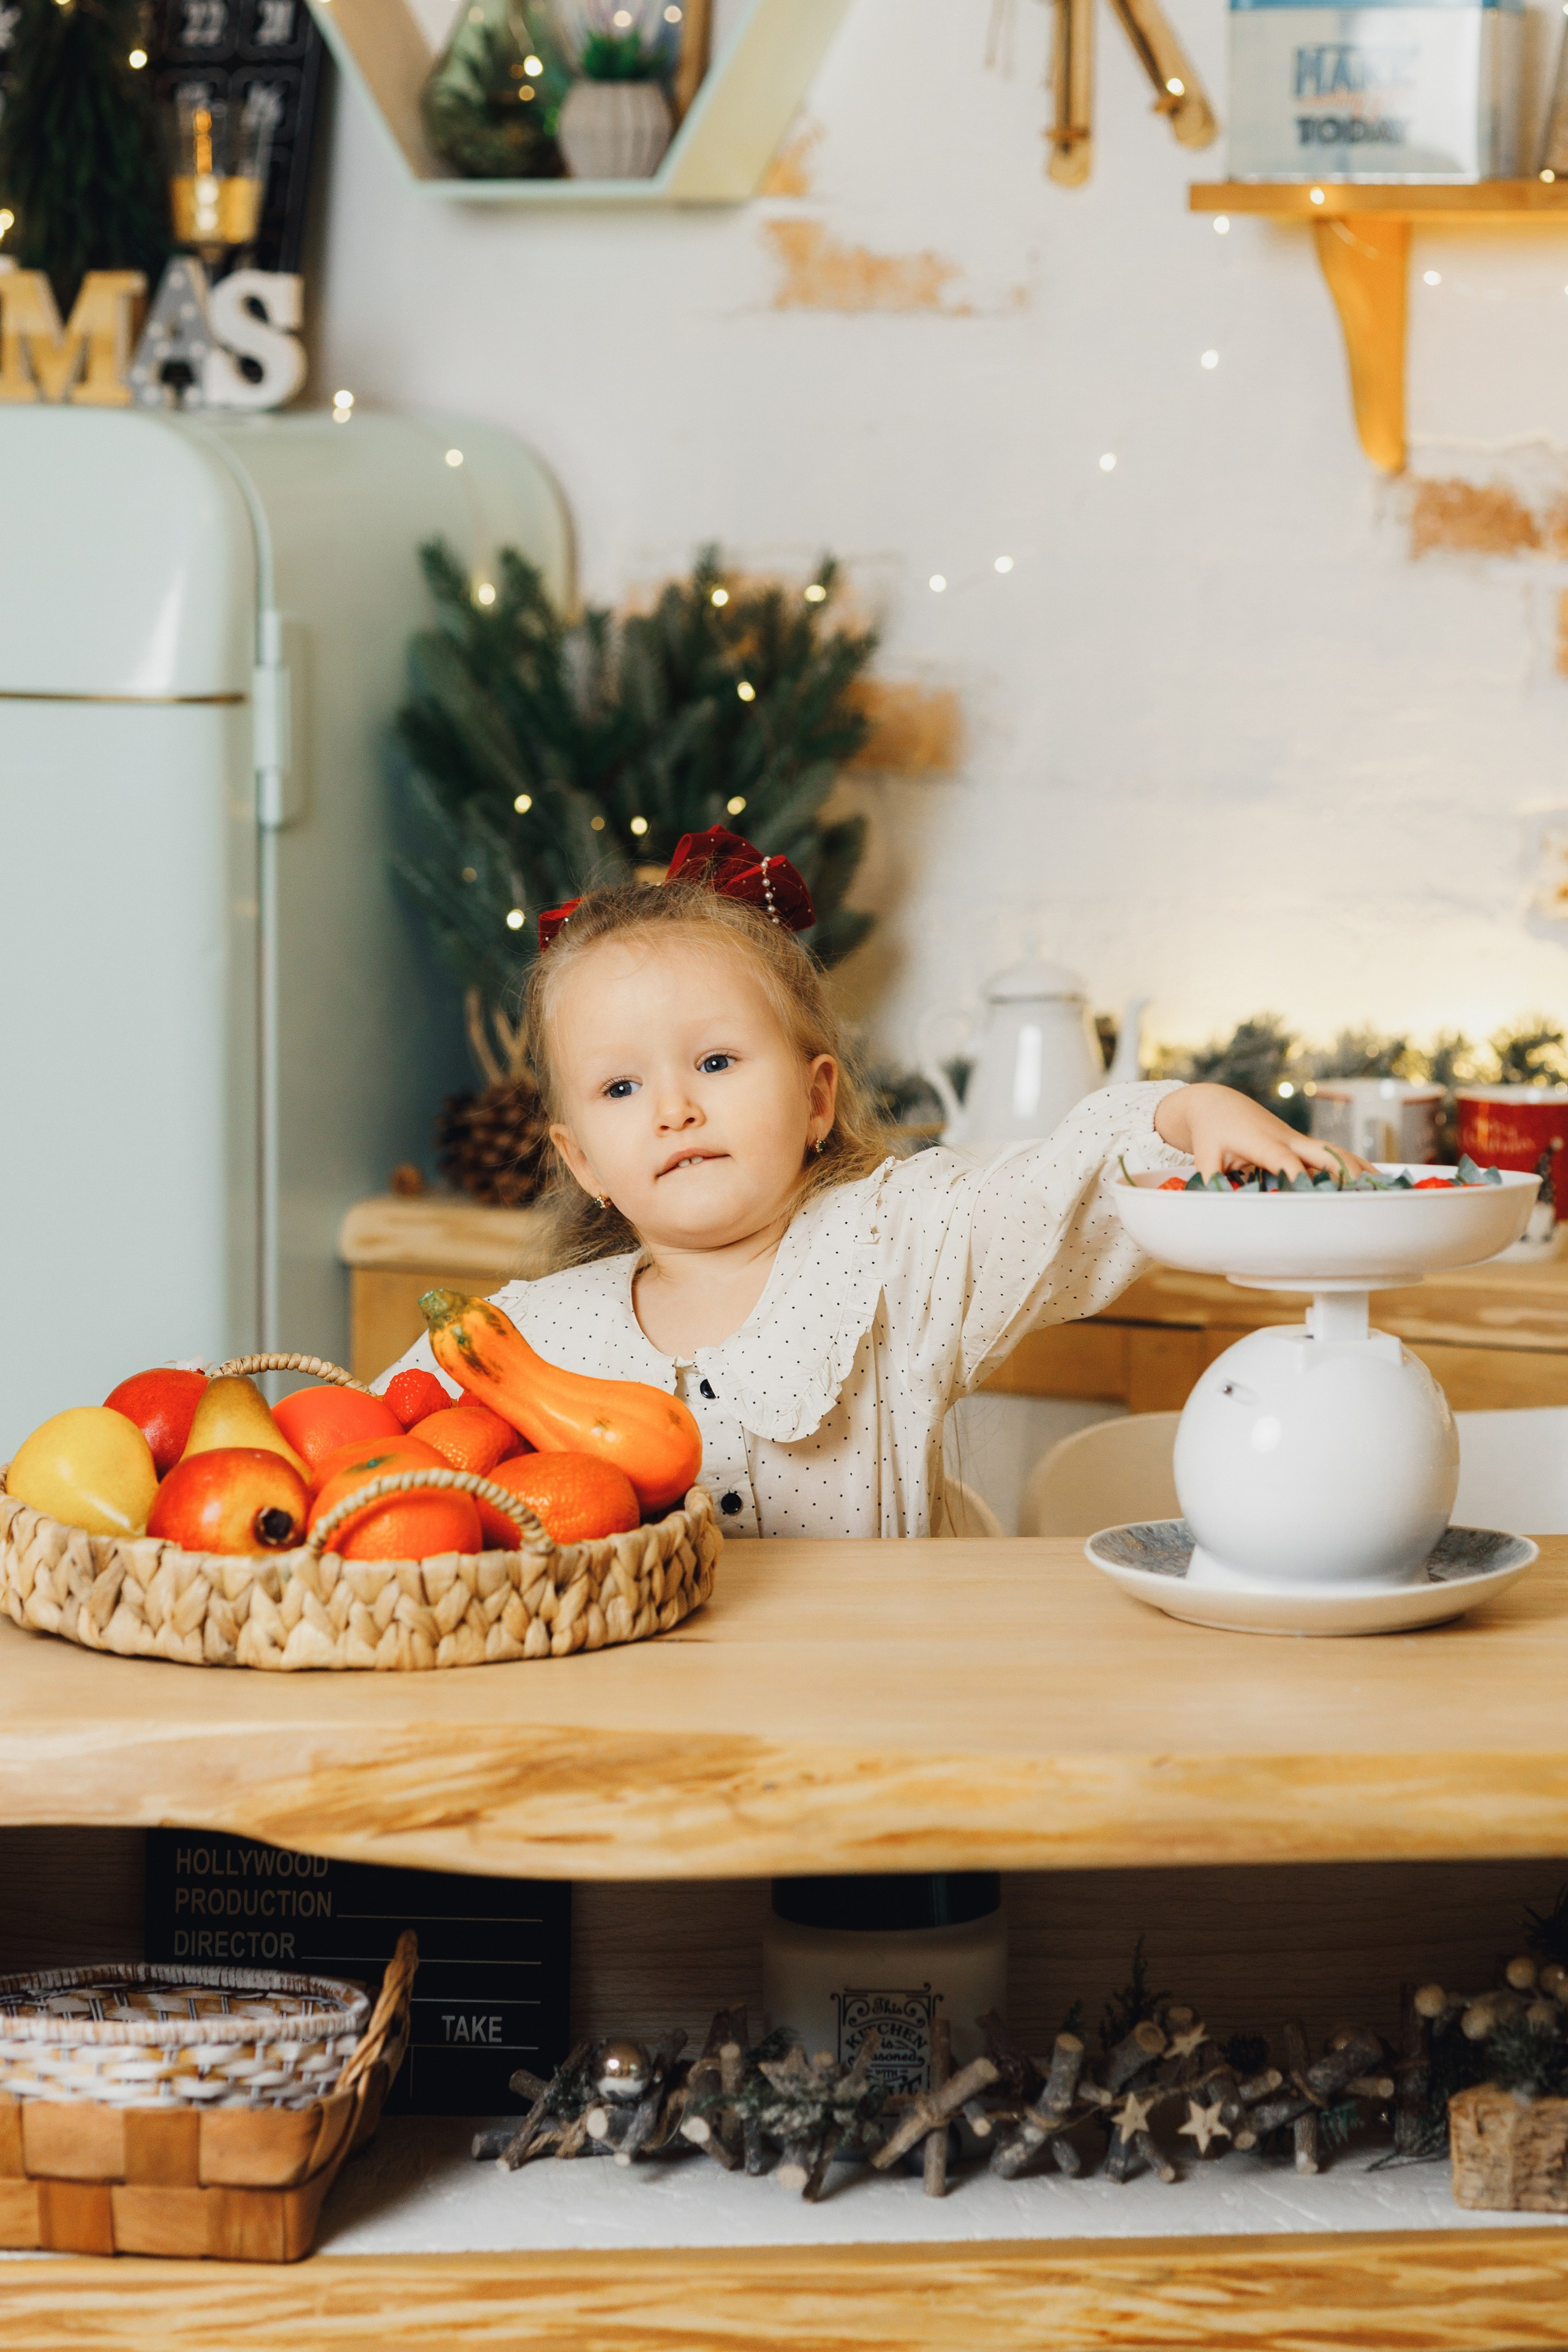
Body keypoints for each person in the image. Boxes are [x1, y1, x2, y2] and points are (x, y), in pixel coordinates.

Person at [377, 829, 1362, 1539]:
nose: (674, 1108)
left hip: (880, 1718)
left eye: (717, 1063)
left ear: (816, 1100)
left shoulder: (897, 1252)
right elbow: (368, 1454)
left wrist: (1186, 1116)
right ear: (583, 1160)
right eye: (623, 1086)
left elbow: (1062, 1195)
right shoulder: (525, 1339)